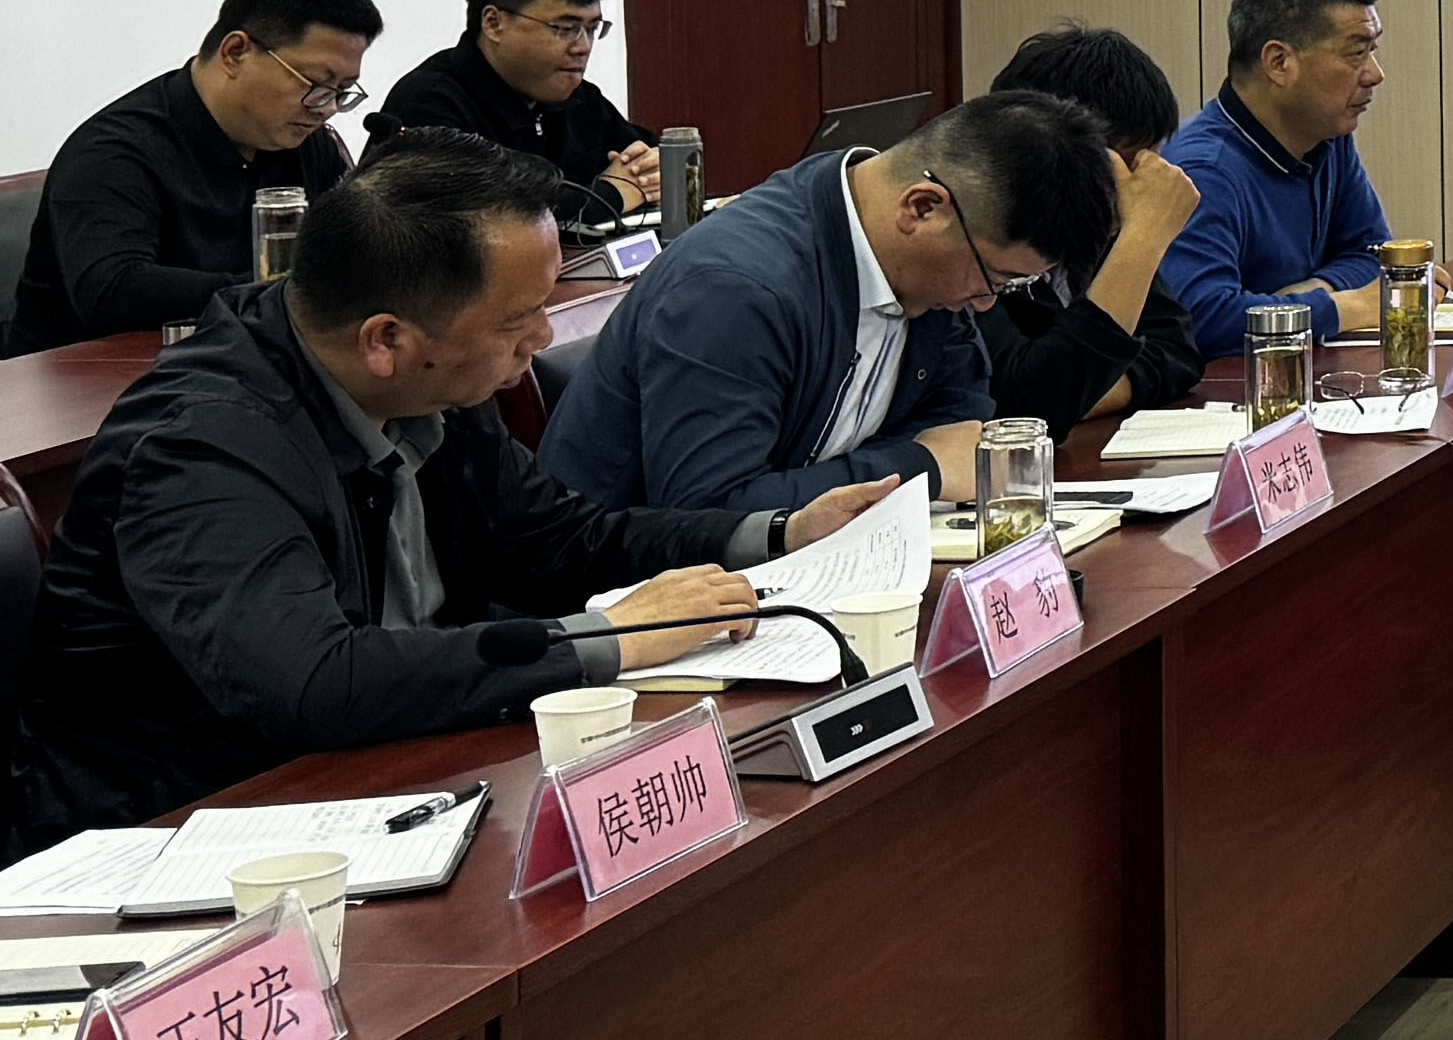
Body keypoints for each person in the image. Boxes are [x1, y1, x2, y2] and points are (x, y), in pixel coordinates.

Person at [9, 138, 899, 849]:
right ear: (386, 338)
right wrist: (610, 637)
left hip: (395, 770)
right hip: (187, 832)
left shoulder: (432, 384)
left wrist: (777, 532)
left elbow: (559, 542)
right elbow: (313, 681)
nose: (542, 338)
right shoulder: (202, 448)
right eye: (517, 321)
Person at [540, 92, 1115, 518]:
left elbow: (956, 421)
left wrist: (929, 461)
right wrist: (918, 468)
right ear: (922, 208)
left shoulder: (929, 267)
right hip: (625, 604)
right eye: (995, 278)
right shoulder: (734, 288)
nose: (987, 304)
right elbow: (708, 511)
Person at [10, 0, 382, 353]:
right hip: (90, 377)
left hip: (241, 362)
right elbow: (112, 290)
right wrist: (287, 292)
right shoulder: (113, 153)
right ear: (235, 52)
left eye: (342, 92)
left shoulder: (307, 143)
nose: (327, 107)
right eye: (316, 84)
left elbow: (353, 250)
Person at [1164, 0, 1415, 355]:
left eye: (1373, 50)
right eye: (1356, 54)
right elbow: (1202, 318)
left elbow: (1373, 255)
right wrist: (1343, 308)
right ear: (1279, 62)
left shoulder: (1326, 137)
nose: (1375, 74)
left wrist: (1316, 289)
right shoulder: (1203, 170)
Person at [974, 25, 1203, 430]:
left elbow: (1178, 352)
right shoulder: (976, 246)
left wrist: (1080, 394)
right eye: (1126, 165)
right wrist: (1143, 237)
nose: (1137, 186)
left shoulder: (1095, 233)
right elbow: (1026, 404)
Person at [372, 0, 662, 229]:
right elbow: (488, 221)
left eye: (592, 29)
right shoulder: (429, 104)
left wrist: (655, 169)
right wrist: (612, 195)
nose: (583, 46)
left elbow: (644, 161)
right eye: (565, 28)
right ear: (494, 23)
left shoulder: (580, 99)